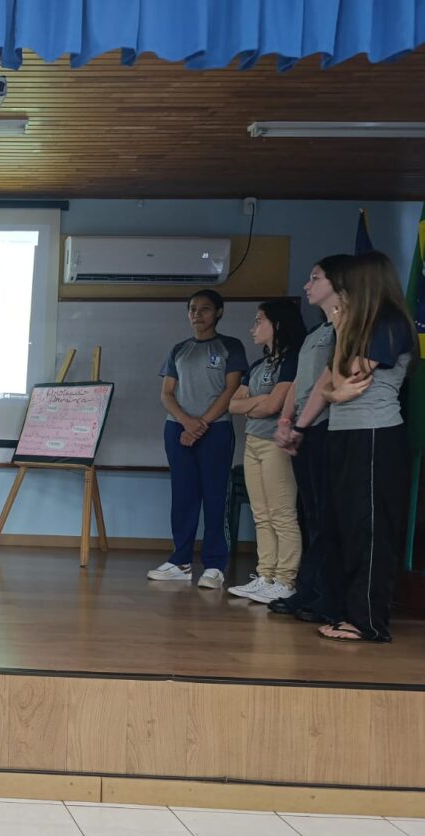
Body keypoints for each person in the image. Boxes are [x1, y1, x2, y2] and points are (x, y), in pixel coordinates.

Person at [312, 251, 418, 643]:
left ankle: (369, 620)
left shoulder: (390, 324)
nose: (341, 291)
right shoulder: (356, 326)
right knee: (342, 527)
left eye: (346, 283)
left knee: (369, 529)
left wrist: (336, 389)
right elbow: (331, 388)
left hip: (375, 435)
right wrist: (334, 391)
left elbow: (346, 378)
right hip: (345, 434)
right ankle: (348, 612)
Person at [149, 289, 249, 590]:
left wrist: (202, 423)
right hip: (178, 429)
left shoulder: (231, 346)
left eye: (204, 309)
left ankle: (215, 565)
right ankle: (180, 561)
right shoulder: (179, 349)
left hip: (215, 431)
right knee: (183, 495)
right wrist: (187, 423)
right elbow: (167, 393)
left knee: (215, 496)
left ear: (218, 312)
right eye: (192, 309)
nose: (197, 314)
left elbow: (230, 390)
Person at [271, 255, 349, 624]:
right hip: (303, 426)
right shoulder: (317, 334)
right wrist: (287, 421)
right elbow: (302, 382)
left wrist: (302, 425)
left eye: (314, 277)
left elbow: (329, 383)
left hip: (325, 429)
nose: (306, 285)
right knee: (308, 515)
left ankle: (325, 596)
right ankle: (307, 589)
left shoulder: (344, 331)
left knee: (324, 518)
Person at [227, 300, 306, 604]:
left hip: (277, 444)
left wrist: (257, 405)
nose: (253, 328)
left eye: (259, 321)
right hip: (253, 442)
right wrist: (257, 406)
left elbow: (276, 405)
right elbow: (234, 405)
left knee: (282, 513)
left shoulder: (292, 360)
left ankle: (285, 579)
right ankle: (265, 575)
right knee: (261, 514)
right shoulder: (259, 365)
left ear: (278, 325)